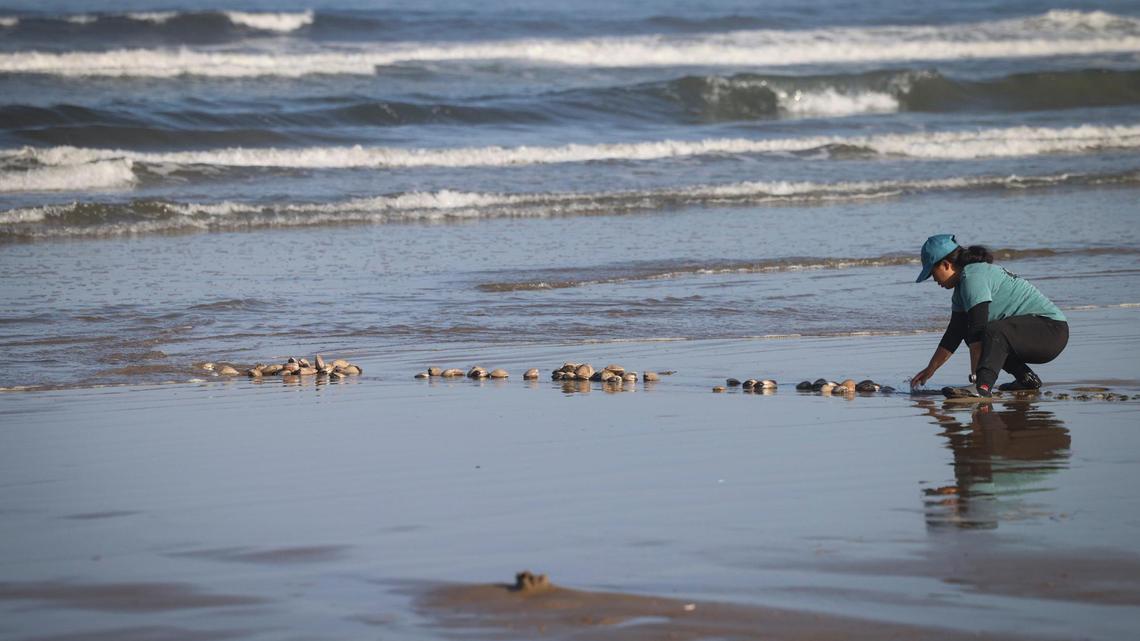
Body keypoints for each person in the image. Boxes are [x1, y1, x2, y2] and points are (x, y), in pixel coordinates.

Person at [910, 234, 1068, 398]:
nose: (933, 279)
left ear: (945, 264)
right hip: (1034, 335)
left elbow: (978, 330)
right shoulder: (961, 288)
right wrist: (930, 369)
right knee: (970, 331)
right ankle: (1026, 378)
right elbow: (954, 333)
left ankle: (982, 387)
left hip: (1051, 332)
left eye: (932, 273)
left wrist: (975, 380)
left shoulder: (973, 277)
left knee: (990, 331)